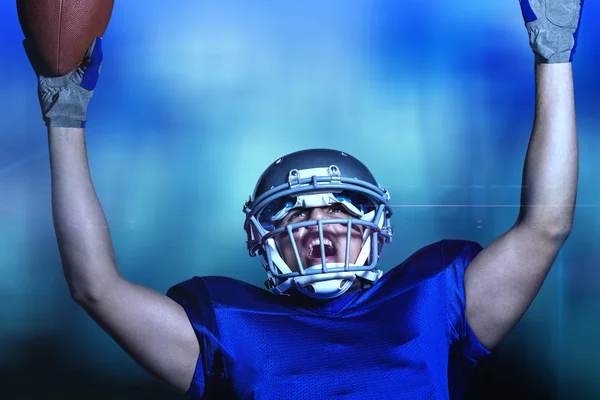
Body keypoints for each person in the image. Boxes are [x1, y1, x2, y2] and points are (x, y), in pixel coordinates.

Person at [25, 1, 582, 399]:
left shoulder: (434, 299)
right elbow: (94, 288)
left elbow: (547, 226)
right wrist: (65, 114)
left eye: (337, 211)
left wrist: (554, 51)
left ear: (374, 227)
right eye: (295, 214)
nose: (317, 227)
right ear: (261, 240)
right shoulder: (230, 325)